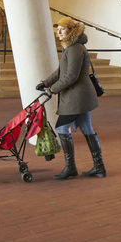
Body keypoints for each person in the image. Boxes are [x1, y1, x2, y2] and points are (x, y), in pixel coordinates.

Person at [36, 16, 104, 180]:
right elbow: (61, 72)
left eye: (62, 29)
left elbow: (71, 76)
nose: (59, 32)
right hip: (79, 96)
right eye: (57, 29)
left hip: (77, 97)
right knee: (87, 129)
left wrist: (52, 90)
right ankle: (99, 168)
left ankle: (71, 167)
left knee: (61, 128)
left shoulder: (74, 48)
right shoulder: (71, 47)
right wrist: (45, 83)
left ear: (71, 31)